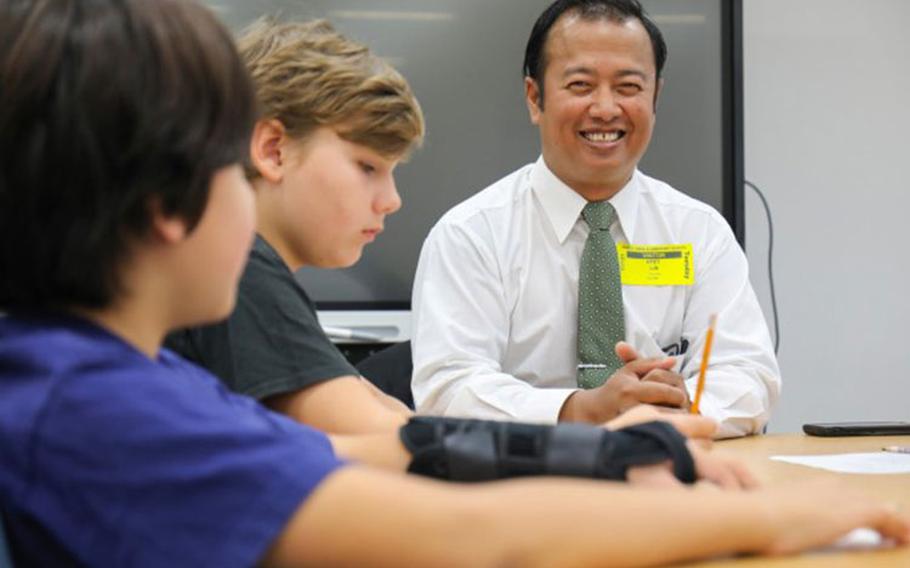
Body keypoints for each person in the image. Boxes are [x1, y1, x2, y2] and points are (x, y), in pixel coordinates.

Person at [2, 1, 908, 566]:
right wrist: (768, 523)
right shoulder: (100, 415)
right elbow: (483, 541)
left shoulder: (126, 378)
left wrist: (625, 451)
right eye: (227, 170)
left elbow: (370, 451)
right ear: (169, 200)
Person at [411, 0, 780, 438]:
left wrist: (676, 409)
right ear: (535, 98)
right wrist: (581, 410)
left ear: (655, 97)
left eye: (628, 87)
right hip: (519, 487)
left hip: (668, 478)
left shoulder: (700, 232)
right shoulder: (471, 234)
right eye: (581, 85)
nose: (606, 109)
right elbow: (448, 389)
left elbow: (749, 373)